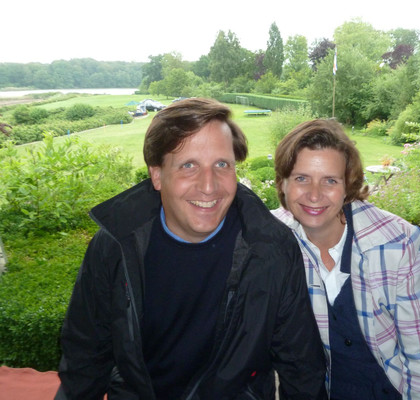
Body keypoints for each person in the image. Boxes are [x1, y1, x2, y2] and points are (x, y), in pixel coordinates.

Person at [55, 98, 327, 400]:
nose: (209, 186)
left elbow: (301, 366)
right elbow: (85, 357)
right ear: (157, 175)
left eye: (222, 165)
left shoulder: (272, 249)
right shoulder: (115, 245)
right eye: (188, 166)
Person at [272, 119, 420, 399]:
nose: (314, 195)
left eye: (330, 180)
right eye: (301, 178)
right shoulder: (271, 242)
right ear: (283, 183)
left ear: (347, 186)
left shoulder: (398, 244)